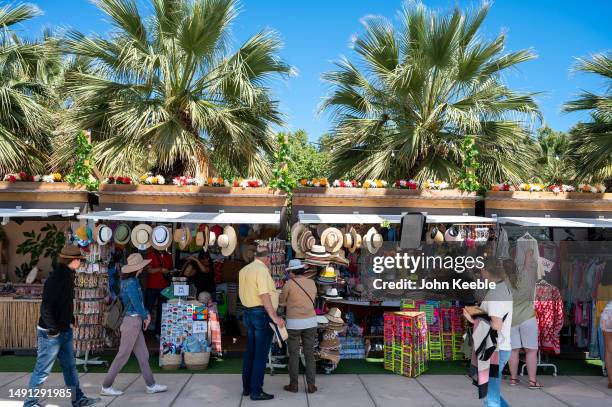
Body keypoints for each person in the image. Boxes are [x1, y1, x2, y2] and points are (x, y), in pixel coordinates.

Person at [24, 245, 101, 407]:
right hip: (50, 333)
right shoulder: (56, 278)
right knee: (42, 370)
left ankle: (78, 400)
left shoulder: (68, 276)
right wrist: (53, 329)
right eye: (79, 260)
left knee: (70, 367)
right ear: (72, 261)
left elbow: (64, 303)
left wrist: (70, 319)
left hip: (63, 330)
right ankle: (30, 404)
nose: (81, 263)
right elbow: (46, 307)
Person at [101, 253, 167, 396]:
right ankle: (106, 386)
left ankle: (151, 385)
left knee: (143, 355)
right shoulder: (131, 283)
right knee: (123, 355)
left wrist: (145, 315)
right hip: (131, 322)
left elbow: (138, 303)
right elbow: (137, 303)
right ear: (138, 268)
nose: (143, 268)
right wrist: (145, 316)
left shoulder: (130, 281)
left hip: (133, 321)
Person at [464, 258, 514, 407]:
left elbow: (496, 325)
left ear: (486, 271)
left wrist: (473, 319)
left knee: (490, 396)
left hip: (495, 350)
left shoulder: (496, 294)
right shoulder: (503, 287)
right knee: (493, 392)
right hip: (500, 348)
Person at [239, 246, 284, 401]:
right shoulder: (262, 270)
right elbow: (264, 295)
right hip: (260, 314)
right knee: (260, 354)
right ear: (268, 259)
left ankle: (247, 388)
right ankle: (256, 391)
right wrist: (275, 317)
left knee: (250, 352)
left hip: (248, 312)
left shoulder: (244, 270)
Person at [279, 259, 318, 394]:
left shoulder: (288, 284)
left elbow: (282, 302)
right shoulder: (312, 282)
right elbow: (313, 298)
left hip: (294, 323)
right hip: (311, 322)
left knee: (294, 355)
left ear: (292, 272)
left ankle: (294, 385)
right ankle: (311, 385)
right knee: (309, 354)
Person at [508, 241, 541, 389]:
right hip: (528, 317)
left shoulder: (505, 282)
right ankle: (532, 381)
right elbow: (528, 265)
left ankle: (513, 379)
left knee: (513, 350)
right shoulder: (527, 276)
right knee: (531, 350)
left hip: (511, 319)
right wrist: (528, 253)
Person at [145, 249, 172, 336]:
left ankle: (159, 333)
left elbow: (170, 269)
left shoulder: (168, 256)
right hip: (152, 286)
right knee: (147, 310)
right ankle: (143, 332)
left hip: (164, 287)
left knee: (162, 311)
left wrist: (170, 272)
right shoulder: (150, 254)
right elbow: (149, 270)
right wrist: (160, 269)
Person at [597, 262, 612, 389]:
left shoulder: (601, 285)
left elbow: (599, 306)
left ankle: (611, 380)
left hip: (606, 314)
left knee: (608, 349)